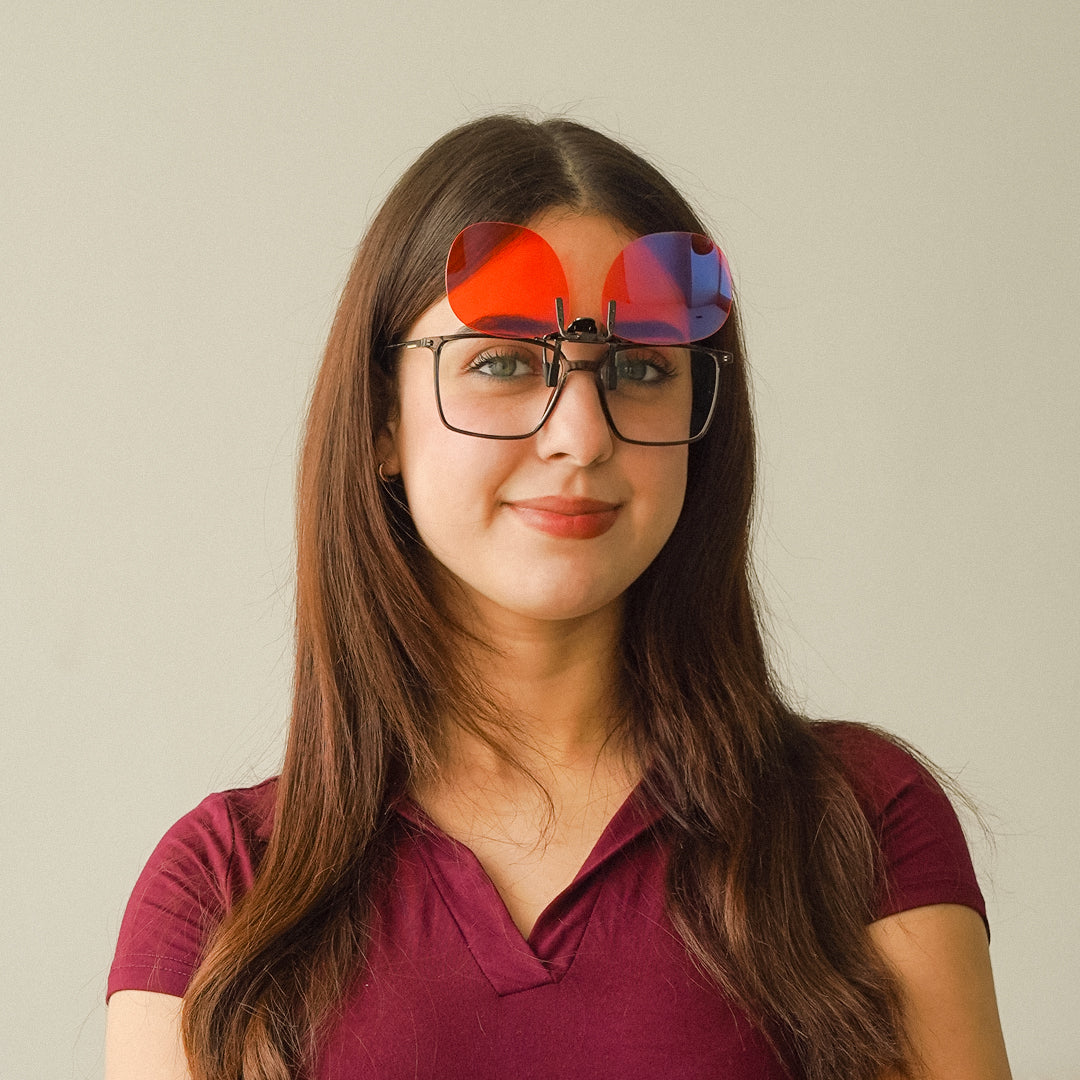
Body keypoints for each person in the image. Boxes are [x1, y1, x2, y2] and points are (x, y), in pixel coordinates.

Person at [104, 115, 1012, 1080]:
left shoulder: (857, 828)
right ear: (379, 419)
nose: (582, 434)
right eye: (502, 361)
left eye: (640, 367)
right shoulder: (221, 896)